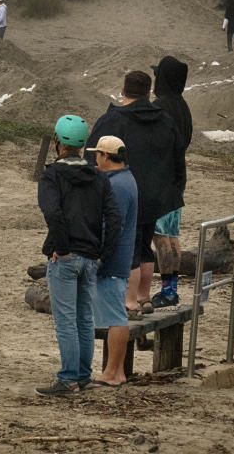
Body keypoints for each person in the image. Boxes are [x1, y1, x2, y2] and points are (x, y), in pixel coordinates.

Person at [85, 71, 184, 319]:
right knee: (145, 246)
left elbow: (92, 158)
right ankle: (144, 297)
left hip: (123, 191)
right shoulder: (165, 120)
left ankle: (129, 303)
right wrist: (173, 190)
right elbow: (178, 159)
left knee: (129, 249)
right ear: (149, 93)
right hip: (156, 196)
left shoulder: (112, 120)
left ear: (123, 91)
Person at [36, 115, 121, 396]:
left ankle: (68, 378)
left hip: (66, 257)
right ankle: (83, 376)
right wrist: (103, 254)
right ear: (84, 145)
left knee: (66, 321)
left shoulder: (52, 176)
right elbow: (114, 217)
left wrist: (61, 247)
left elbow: (53, 212)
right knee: (85, 319)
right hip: (90, 257)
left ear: (58, 142)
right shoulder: (98, 176)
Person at [86, 135, 138, 389]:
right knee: (115, 315)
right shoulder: (124, 179)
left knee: (116, 316)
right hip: (119, 258)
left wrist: (99, 257)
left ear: (106, 156)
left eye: (97, 154)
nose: (95, 158)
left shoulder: (117, 186)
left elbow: (110, 226)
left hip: (113, 261)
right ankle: (113, 371)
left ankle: (113, 373)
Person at [150, 56, 193, 308]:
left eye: (158, 75)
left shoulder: (161, 106)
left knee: (161, 236)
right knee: (171, 235)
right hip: (178, 176)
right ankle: (171, 288)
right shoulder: (182, 106)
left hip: (162, 179)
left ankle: (167, 292)